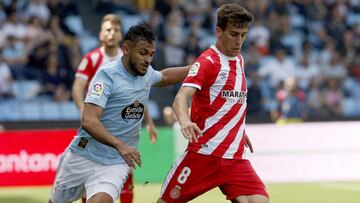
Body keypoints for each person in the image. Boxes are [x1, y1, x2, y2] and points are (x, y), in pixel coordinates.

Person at [49, 21, 190, 203]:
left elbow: (165, 76)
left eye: (151, 54)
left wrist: (201, 67)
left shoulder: (147, 74)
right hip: (83, 154)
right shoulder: (106, 76)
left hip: (115, 163)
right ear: (126, 49)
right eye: (143, 53)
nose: (148, 59)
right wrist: (120, 145)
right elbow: (89, 121)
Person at [157, 4, 269, 203]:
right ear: (219, 31)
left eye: (243, 35)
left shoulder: (240, 60)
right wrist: (184, 121)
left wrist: (237, 131)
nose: (239, 41)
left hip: (234, 156)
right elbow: (180, 98)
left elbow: (230, 101)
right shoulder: (207, 61)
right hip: (204, 154)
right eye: (234, 34)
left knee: (258, 200)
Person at [71, 14, 157, 203]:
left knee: (125, 171)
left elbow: (139, 96)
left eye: (116, 30)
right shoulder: (92, 58)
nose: (112, 33)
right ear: (101, 34)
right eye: (108, 30)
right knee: (91, 179)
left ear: (121, 36)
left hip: (122, 128)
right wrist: (84, 113)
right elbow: (77, 88)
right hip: (97, 129)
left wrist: (149, 123)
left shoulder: (132, 57)